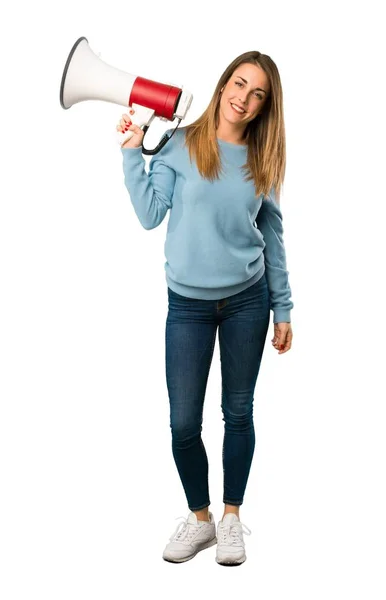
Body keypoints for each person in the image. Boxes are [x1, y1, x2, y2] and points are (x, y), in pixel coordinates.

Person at [117, 50, 294, 566]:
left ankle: (232, 518)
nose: (244, 98)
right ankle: (201, 521)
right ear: (222, 86)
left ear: (265, 106)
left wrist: (282, 307)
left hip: (247, 301)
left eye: (257, 93)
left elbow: (273, 237)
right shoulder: (180, 145)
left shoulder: (263, 160)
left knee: (238, 413)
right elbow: (151, 215)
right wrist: (133, 151)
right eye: (239, 84)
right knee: (182, 424)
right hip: (187, 306)